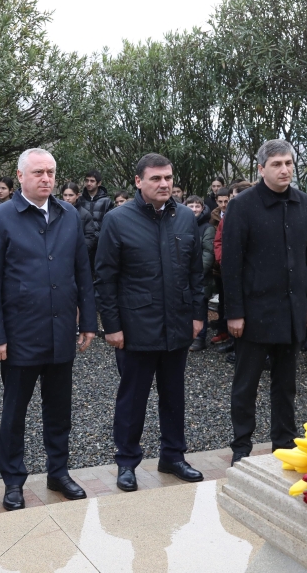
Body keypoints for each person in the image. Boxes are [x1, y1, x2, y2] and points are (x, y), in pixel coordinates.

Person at [0, 147, 97, 510]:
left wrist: (88, 321)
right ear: (20, 176)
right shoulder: (0, 219)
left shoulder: (69, 215)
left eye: (50, 172)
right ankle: (13, 482)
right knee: (15, 413)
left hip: (61, 331)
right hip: (20, 336)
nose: (46, 179)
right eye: (38, 173)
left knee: (59, 411)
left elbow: (82, 270)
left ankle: (58, 472)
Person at [96, 153, 206, 492]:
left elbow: (196, 273)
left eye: (168, 177)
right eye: (156, 178)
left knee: (174, 396)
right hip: (135, 328)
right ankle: (127, 462)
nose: (164, 184)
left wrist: (197, 315)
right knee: (133, 399)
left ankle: (173, 456)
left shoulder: (185, 217)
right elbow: (105, 278)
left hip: (177, 325)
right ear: (138, 181)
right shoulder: (117, 220)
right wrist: (111, 326)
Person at [222, 139, 307, 466]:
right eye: (277, 164)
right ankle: (241, 446)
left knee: (285, 384)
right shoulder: (242, 206)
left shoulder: (303, 203)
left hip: (292, 310)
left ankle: (284, 442)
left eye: (289, 163)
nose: (284, 169)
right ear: (261, 169)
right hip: (254, 312)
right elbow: (231, 264)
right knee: (245, 385)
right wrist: (234, 312)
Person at [217, 182, 254, 363]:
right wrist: (222, 259)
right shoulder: (227, 217)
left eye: (234, 197)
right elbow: (219, 241)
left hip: (251, 275)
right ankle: (234, 343)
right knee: (230, 309)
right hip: (230, 270)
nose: (231, 201)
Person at [186, 195, 215, 352]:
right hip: (183, 275)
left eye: (197, 206)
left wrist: (196, 273)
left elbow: (208, 254)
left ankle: (200, 337)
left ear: (203, 208)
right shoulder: (182, 224)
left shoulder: (207, 228)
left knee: (200, 306)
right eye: (191, 206)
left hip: (200, 277)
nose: (194, 209)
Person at [210, 188, 232, 346]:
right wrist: (221, 260)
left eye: (226, 201)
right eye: (220, 201)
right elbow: (216, 241)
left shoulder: (235, 214)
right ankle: (223, 331)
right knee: (223, 301)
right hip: (219, 266)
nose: (224, 205)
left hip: (235, 265)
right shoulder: (213, 217)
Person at [62, 182, 97, 270]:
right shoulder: (56, 212)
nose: (67, 198)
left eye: (71, 195)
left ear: (77, 195)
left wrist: (79, 252)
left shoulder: (85, 214)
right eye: (65, 195)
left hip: (78, 258)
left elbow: (89, 237)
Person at [78, 170, 113, 252]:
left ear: (99, 183)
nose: (89, 183)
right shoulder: (79, 200)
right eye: (87, 180)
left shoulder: (106, 201)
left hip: (101, 241)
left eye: (92, 181)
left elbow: (110, 223)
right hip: (83, 240)